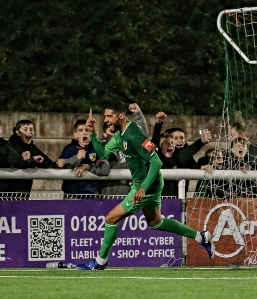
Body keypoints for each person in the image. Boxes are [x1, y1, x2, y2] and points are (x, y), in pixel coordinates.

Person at [73, 103, 214, 270]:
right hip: (150, 183)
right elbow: (102, 153)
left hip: (146, 185)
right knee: (155, 222)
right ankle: (200, 236)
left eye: (109, 116)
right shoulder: (120, 134)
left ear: (121, 116)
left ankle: (100, 262)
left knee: (111, 218)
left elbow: (157, 161)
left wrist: (142, 188)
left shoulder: (134, 136)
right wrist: (92, 134)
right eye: (105, 117)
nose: (105, 120)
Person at [101, 103, 149, 196]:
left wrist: (138, 116)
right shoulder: (101, 149)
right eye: (110, 130)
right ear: (104, 134)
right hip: (109, 197)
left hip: (131, 197)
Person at [57, 119, 111, 198]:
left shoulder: (97, 148)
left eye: (87, 130)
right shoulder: (70, 149)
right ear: (75, 134)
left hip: (94, 196)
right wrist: (76, 158)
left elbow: (106, 169)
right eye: (81, 130)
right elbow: (62, 166)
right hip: (72, 195)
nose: (85, 133)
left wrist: (87, 166)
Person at [8, 119, 55, 197]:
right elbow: (17, 162)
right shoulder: (11, 146)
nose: (29, 131)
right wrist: (31, 160)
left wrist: (64, 162)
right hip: (9, 190)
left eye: (31, 129)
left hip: (24, 191)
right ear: (17, 132)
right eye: (25, 129)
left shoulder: (33, 148)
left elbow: (48, 164)